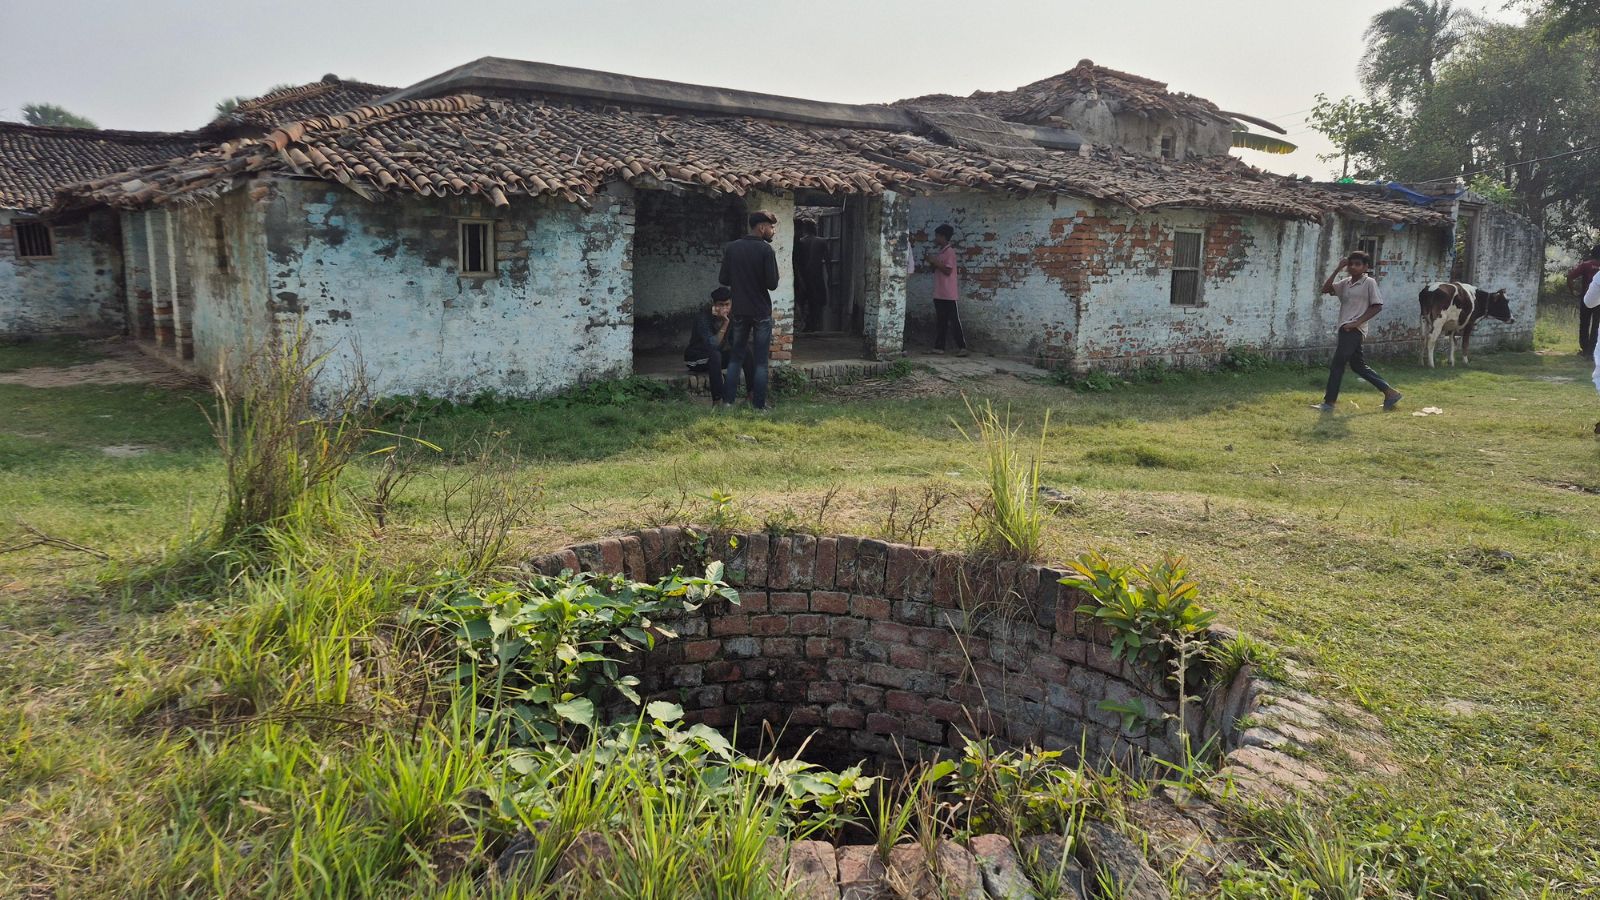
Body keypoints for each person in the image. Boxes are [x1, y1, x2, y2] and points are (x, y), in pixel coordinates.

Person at [1313, 250, 1403, 412]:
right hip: (1345, 328)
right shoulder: (1345, 283)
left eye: (1358, 264)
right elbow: (1325, 289)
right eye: (1351, 264)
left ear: (1365, 267)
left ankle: (1329, 403)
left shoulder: (1369, 283)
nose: (1353, 267)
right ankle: (1390, 392)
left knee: (1337, 365)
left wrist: (1356, 323)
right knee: (1358, 366)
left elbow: (1377, 306)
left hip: (1354, 330)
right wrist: (1337, 269)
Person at [719, 210, 779, 411]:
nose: (773, 231)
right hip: (761, 311)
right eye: (771, 227)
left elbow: (724, 279)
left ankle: (728, 402)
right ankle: (759, 406)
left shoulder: (732, 248)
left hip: (740, 311)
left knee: (736, 357)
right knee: (761, 362)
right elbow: (772, 284)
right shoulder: (766, 251)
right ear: (762, 227)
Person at [683, 287, 754, 409]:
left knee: (745, 350)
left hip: (715, 357)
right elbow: (712, 344)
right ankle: (718, 403)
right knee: (715, 354)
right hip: (696, 358)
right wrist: (725, 323)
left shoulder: (732, 316)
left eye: (727, 304)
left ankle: (752, 397)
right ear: (714, 305)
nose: (725, 308)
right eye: (721, 305)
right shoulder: (703, 318)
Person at [924, 223, 968, 356]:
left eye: (937, 236)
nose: (935, 238)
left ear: (943, 237)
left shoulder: (950, 252)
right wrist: (932, 262)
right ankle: (939, 347)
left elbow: (948, 270)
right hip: (939, 292)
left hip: (948, 293)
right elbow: (937, 269)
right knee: (941, 321)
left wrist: (935, 261)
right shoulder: (941, 252)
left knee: (954, 321)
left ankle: (962, 347)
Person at [793, 217, 831, 333]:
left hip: (803, 277)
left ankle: (806, 326)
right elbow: (828, 262)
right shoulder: (822, 241)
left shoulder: (800, 242)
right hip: (816, 277)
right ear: (814, 228)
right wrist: (830, 277)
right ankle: (813, 326)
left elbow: (796, 262)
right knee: (816, 304)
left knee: (802, 302)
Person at [1566, 244, 1600, 357]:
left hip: (1587, 298)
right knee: (1596, 326)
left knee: (1584, 323)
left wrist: (1573, 292)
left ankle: (1585, 349)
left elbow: (1570, 276)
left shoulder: (1586, 265)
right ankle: (1592, 351)